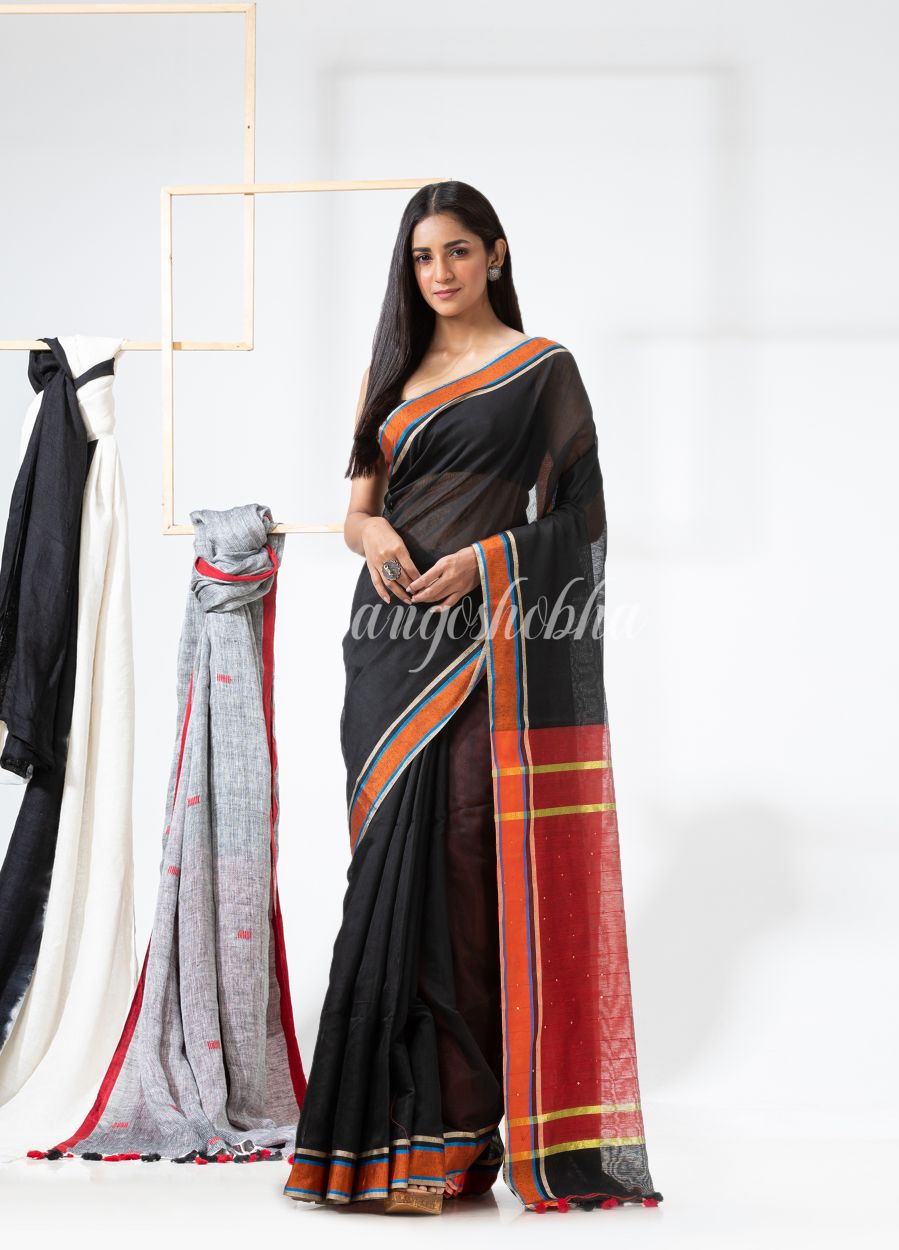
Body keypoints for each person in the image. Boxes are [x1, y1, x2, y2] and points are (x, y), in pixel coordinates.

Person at [284, 180, 660, 1216]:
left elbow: (582, 522)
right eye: (422, 257)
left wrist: (491, 559)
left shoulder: (542, 370)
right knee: (383, 877)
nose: (439, 272)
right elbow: (354, 512)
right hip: (386, 647)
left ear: (494, 253)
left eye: (456, 251)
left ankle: (447, 1137)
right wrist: (375, 534)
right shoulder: (392, 375)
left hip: (482, 645)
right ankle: (365, 1141)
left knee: (459, 861)